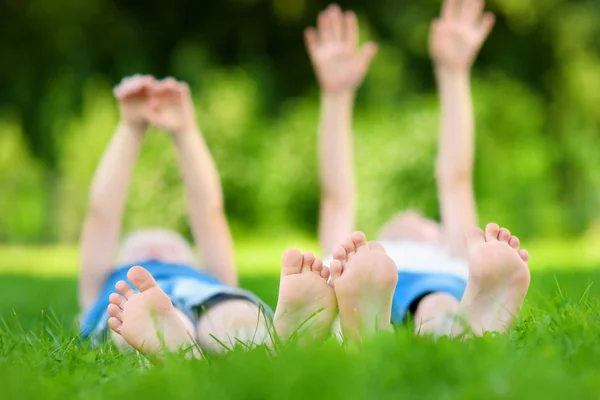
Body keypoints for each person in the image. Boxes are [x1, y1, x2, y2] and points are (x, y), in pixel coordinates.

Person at [78, 75, 348, 356]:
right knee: (131, 323)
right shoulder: (102, 287)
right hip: (133, 311)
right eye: (140, 254)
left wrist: (185, 131)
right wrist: (130, 127)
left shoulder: (208, 278)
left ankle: (277, 339)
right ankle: (166, 340)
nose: (155, 252)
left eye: (169, 249)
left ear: (194, 260)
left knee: (234, 316)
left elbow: (209, 215)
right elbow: (101, 215)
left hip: (210, 298)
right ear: (117, 264)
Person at [306, 1, 531, 336]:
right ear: (376, 239)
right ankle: (444, 330)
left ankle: (455, 325)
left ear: (440, 238)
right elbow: (335, 196)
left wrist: (454, 74)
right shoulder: (356, 258)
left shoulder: (450, 255)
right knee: (358, 283)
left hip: (433, 283)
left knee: (437, 301)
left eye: (428, 224)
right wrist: (335, 96)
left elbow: (456, 179)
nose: (413, 217)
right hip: (363, 282)